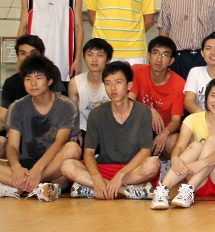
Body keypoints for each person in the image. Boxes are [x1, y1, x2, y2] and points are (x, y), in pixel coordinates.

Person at [0, 55, 81, 201]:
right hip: (25, 164)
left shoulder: (67, 106)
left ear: (49, 81)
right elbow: (12, 146)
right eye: (28, 79)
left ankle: (20, 186)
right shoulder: (17, 107)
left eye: (38, 78)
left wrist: (38, 169)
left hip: (52, 166)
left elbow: (60, 142)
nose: (33, 83)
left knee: (73, 149)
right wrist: (16, 168)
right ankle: (35, 186)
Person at [61, 61, 160, 200]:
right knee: (67, 166)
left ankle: (93, 189)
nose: (113, 88)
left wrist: (120, 175)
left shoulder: (143, 111)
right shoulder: (96, 113)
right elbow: (88, 152)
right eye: (108, 83)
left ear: (129, 85)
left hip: (131, 170)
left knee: (152, 165)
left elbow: (146, 151)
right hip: (104, 168)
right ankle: (124, 191)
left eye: (118, 82)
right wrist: (96, 177)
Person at [151, 77, 215, 209]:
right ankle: (162, 191)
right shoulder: (192, 119)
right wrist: (175, 158)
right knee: (195, 146)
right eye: (213, 95)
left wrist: (202, 163)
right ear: (206, 97)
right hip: (199, 181)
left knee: (212, 139)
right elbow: (180, 146)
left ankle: (188, 190)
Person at [0, 35, 64, 159]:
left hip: (45, 129)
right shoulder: (11, 82)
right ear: (17, 56)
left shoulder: (51, 72)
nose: (28, 57)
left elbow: (58, 107)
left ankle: (34, 166)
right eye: (23, 53)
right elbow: (2, 117)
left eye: (33, 53)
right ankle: (20, 163)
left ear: (41, 54)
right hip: (18, 130)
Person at [129, 36, 185, 158]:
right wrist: (149, 110)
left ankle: (163, 162)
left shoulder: (179, 83)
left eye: (165, 55)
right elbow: (128, 102)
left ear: (171, 61)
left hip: (162, 130)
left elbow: (176, 120)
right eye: (156, 53)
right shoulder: (137, 70)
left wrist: (165, 133)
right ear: (148, 56)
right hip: (138, 128)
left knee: (174, 141)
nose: (159, 59)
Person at [67, 38, 113, 145]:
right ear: (84, 58)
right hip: (84, 131)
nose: (94, 59)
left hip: (109, 131)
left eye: (100, 55)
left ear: (108, 60)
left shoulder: (113, 83)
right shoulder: (75, 83)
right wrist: (75, 131)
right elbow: (72, 113)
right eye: (90, 54)